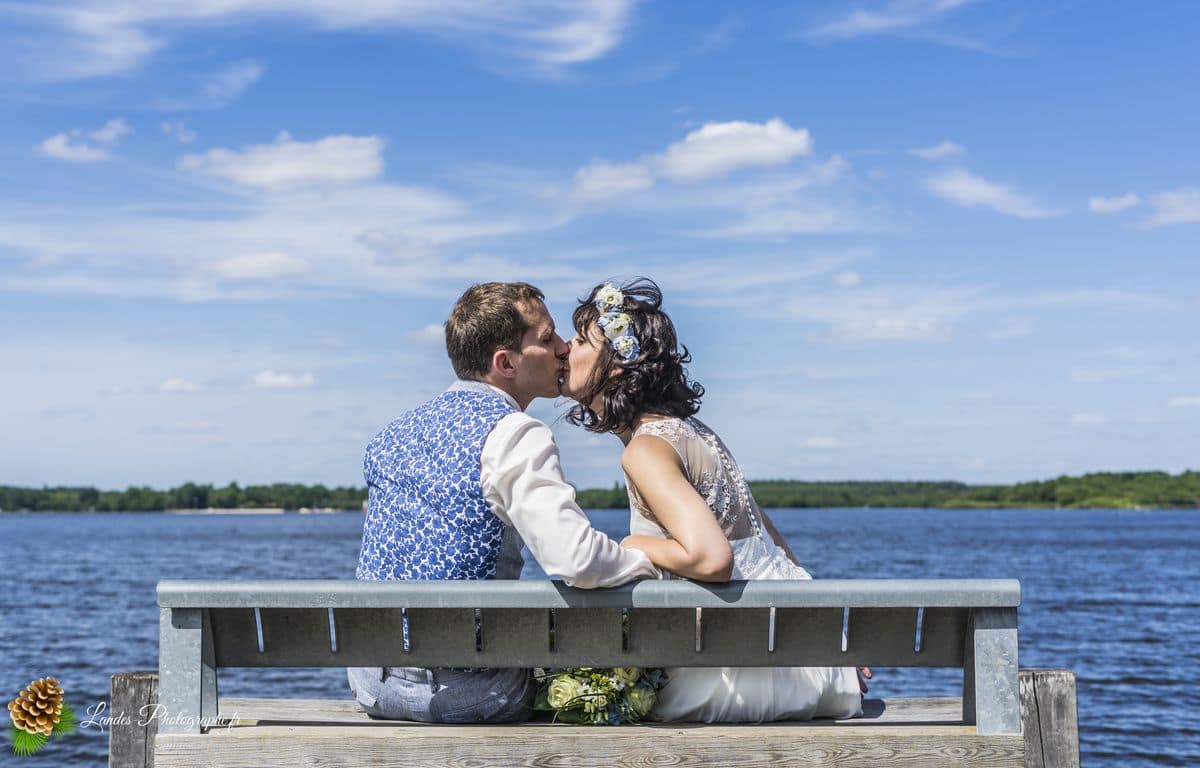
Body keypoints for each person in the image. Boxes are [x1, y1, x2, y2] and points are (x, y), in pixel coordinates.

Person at [349, 281, 659, 724]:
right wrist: (645, 561)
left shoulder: (392, 433)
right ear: (505, 363)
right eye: (547, 338)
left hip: (372, 685)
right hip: (474, 692)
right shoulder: (514, 433)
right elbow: (576, 560)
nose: (563, 350)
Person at [560, 277, 865, 723]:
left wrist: (630, 546)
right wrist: (830, 644)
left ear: (617, 366)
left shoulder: (645, 448)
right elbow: (769, 540)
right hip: (805, 665)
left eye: (579, 340)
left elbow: (711, 560)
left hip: (735, 676)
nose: (566, 350)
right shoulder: (696, 433)